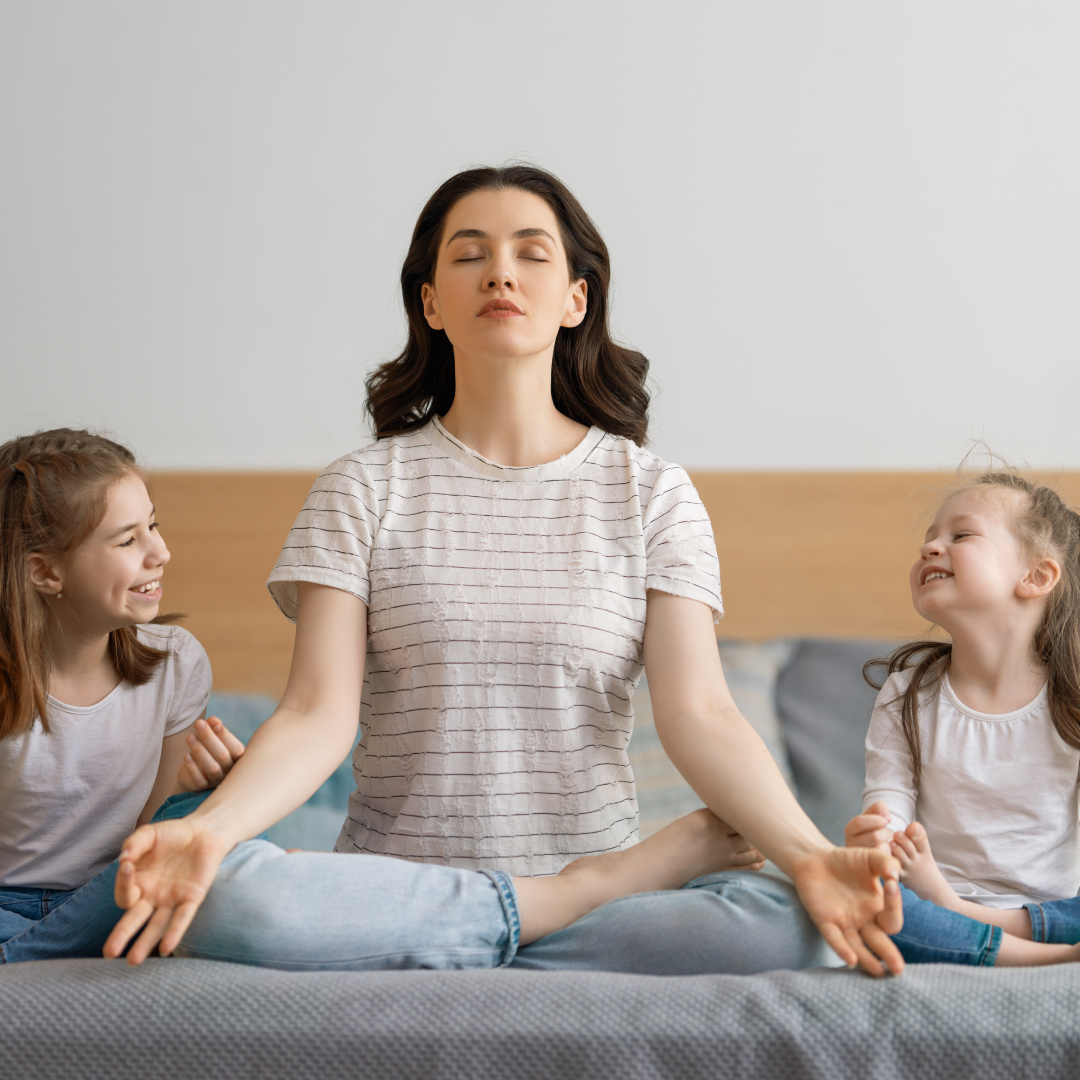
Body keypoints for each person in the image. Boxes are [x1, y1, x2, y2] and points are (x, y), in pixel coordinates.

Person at [104, 164, 904, 975]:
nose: (500, 274)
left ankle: (528, 913)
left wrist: (809, 857)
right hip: (398, 894)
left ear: (575, 299)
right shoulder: (362, 488)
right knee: (230, 897)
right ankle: (563, 897)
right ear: (430, 303)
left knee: (787, 925)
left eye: (531, 253)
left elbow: (701, 712)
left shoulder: (650, 492)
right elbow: (316, 712)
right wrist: (207, 831)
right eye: (469, 255)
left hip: (584, 924)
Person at [0, 428, 245, 963]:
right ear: (46, 571)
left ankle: (22, 957)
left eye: (152, 526)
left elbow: (150, 842)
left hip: (114, 894)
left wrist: (189, 790)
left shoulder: (178, 664)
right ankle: (45, 950)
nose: (162, 552)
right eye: (128, 540)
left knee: (211, 816)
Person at [846, 471, 1080, 966]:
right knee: (867, 900)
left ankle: (991, 936)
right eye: (929, 537)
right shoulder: (905, 696)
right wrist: (877, 844)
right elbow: (888, 818)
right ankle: (1053, 960)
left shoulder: (1072, 699)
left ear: (1037, 577)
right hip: (932, 901)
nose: (930, 547)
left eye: (962, 535)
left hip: (1054, 911)